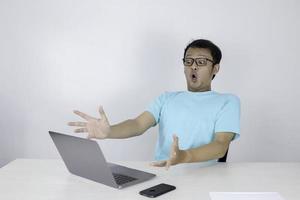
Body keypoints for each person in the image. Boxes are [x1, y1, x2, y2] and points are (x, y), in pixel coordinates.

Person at [68, 39, 241, 170]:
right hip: (163, 176)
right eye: (188, 61)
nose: (193, 67)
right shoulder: (166, 98)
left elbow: (220, 145)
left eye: (201, 62)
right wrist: (109, 131)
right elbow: (137, 124)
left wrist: (184, 156)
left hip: (205, 179)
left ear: (215, 69)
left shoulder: (228, 101)